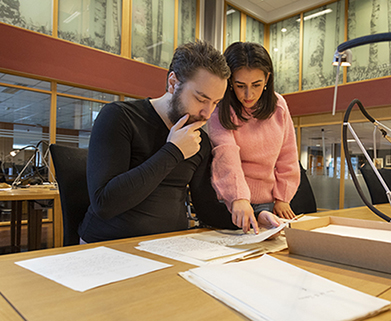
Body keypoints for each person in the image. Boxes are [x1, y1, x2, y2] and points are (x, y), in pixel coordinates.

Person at [79, 41, 281, 243]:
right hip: (107, 245)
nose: (207, 113)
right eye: (201, 99)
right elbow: (104, 204)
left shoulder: (199, 142)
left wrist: (254, 219)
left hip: (169, 247)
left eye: (215, 103)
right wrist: (173, 151)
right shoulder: (120, 118)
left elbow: (206, 210)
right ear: (173, 83)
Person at [208, 42, 300, 234]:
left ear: (267, 78)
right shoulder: (222, 108)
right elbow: (226, 153)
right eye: (240, 85)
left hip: (268, 204)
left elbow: (288, 155)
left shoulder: (278, 106)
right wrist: (239, 197)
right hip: (229, 203)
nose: (248, 94)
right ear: (230, 81)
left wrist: (283, 198)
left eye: (256, 85)